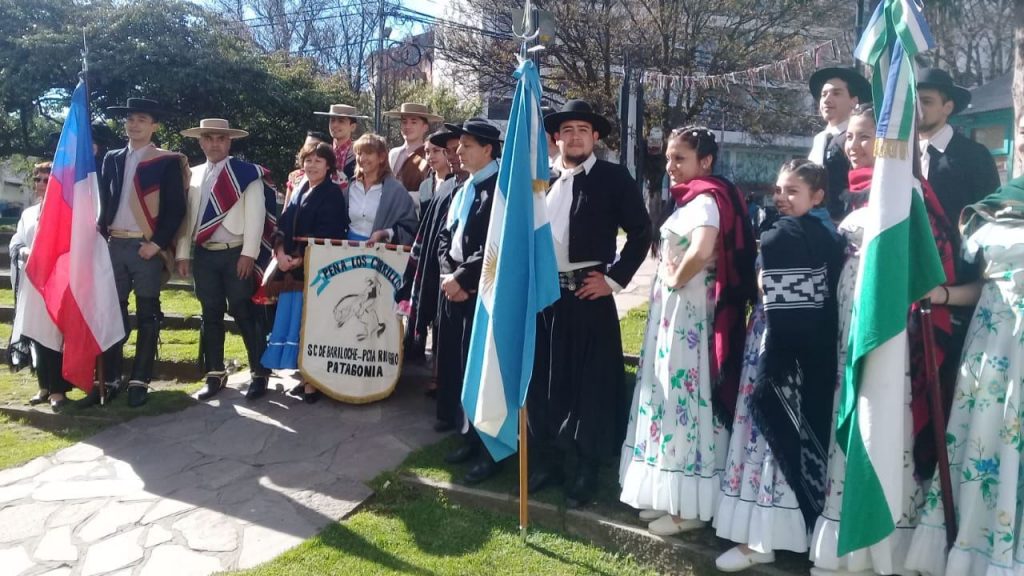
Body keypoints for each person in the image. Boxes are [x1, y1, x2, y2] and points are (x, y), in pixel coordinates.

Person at [809, 104, 958, 575]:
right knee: (849, 412)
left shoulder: (906, 191)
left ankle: (884, 545)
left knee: (880, 417)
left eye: (865, 137)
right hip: (849, 318)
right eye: (849, 137)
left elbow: (928, 264)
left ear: (893, 142)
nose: (852, 146)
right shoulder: (855, 194)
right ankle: (845, 540)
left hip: (889, 329)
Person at [618, 127, 755, 533]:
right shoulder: (694, 199)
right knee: (668, 397)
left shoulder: (709, 199)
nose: (671, 167)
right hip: (674, 314)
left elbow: (704, 248)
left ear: (705, 161)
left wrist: (676, 279)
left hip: (691, 315)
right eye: (669, 159)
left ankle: (690, 507)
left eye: (680, 158)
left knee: (687, 399)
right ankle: (670, 492)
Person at [904, 116, 1024, 576]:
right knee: (980, 442)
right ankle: (969, 553)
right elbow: (983, 284)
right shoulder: (995, 206)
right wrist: (943, 295)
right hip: (990, 345)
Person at [713, 159, 841, 571]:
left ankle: (765, 535)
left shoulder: (789, 234)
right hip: (797, 347)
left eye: (793, 192)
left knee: (772, 434)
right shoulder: (826, 234)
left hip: (779, 346)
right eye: (779, 191)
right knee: (786, 432)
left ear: (818, 196)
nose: (782, 199)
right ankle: (776, 528)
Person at [529, 100, 652, 509]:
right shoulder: (541, 180)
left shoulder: (614, 178)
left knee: (589, 385)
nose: (575, 136)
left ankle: (585, 465)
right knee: (546, 379)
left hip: (588, 294)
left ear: (595, 136)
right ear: (557, 137)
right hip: (547, 295)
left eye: (583, 129)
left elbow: (640, 232)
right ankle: (547, 459)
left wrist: (614, 279)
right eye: (568, 130)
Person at [176, 119, 276, 402]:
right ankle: (215, 373)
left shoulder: (246, 174)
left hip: (237, 252)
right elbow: (186, 219)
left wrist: (249, 254)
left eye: (221, 138)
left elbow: (257, 217)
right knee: (210, 313)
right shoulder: (193, 175)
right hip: (205, 254)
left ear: (229, 142)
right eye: (209, 138)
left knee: (244, 312)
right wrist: (183, 253)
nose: (215, 143)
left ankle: (259, 372)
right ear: (201, 142)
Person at [97, 98, 188, 407]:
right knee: (113, 313)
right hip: (114, 244)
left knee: (148, 314)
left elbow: (176, 209)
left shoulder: (165, 161)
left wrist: (157, 244)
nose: (134, 124)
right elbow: (103, 201)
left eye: (142, 119)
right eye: (130, 119)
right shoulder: (112, 158)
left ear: (154, 126)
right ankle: (110, 378)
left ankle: (140, 380)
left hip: (144, 246)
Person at [433, 118, 503, 484]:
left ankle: (489, 446)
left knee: (482, 371)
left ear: (488, 149)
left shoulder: (501, 192)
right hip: (454, 287)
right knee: (458, 365)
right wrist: (448, 274)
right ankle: (466, 434)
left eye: (466, 146)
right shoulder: (464, 189)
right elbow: (447, 237)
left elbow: (495, 246)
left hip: (480, 292)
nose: (457, 152)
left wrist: (463, 279)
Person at [261, 142, 349, 403]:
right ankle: (304, 374)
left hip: (315, 270)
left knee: (312, 324)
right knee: (296, 323)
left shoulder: (332, 193)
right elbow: (283, 223)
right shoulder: (299, 188)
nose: (311, 165)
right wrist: (280, 252)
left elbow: (330, 231)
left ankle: (314, 382)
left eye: (318, 161)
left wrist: (299, 257)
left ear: (329, 165)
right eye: (308, 160)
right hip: (291, 270)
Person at [399, 129, 465, 369]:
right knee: (434, 313)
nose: (454, 154)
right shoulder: (431, 187)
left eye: (440, 150)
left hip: (461, 269)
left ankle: (442, 373)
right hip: (433, 255)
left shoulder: (460, 185)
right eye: (430, 151)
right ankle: (436, 368)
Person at [9, 162, 72, 411]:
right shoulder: (28, 213)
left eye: (47, 180)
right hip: (31, 282)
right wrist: (23, 251)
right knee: (35, 334)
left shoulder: (66, 212)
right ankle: (43, 386)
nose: (41, 184)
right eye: (38, 179)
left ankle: (58, 389)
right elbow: (17, 240)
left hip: (56, 283)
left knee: (53, 336)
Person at [807, 67, 871, 221]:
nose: (827, 100)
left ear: (854, 101)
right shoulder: (820, 139)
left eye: (836, 93)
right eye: (823, 95)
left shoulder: (860, 142)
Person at [345, 133, 418, 244]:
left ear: (382, 157)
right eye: (359, 153)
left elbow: (410, 229)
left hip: (381, 255)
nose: (362, 158)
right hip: (345, 252)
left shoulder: (397, 191)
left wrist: (385, 234)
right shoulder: (350, 187)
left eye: (368, 153)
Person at [383, 102, 441, 192]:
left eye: (414, 122)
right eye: (404, 122)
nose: (407, 126)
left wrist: (403, 197)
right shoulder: (393, 154)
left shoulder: (429, 156)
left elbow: (431, 192)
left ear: (425, 127)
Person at [314, 103, 368, 182]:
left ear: (352, 127)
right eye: (332, 120)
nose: (335, 125)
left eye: (341, 121)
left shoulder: (359, 154)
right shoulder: (322, 151)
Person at [285, 130, 330, 206]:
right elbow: (286, 208)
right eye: (307, 146)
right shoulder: (295, 176)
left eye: (313, 146)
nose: (309, 150)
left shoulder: (337, 180)